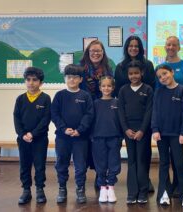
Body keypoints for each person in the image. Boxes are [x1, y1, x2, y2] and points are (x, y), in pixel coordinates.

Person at [114, 35, 156, 193]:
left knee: (145, 152)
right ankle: (134, 184)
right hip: (128, 116)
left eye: (136, 46)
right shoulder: (120, 67)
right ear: (126, 48)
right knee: (132, 154)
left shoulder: (148, 65)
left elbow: (152, 87)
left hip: (144, 115)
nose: (133, 48)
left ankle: (145, 179)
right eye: (130, 46)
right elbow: (118, 91)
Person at [158, 35, 183, 197]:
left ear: (179, 47)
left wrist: (176, 100)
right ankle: (167, 188)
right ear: (165, 47)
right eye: (168, 44)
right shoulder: (160, 67)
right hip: (164, 116)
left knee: (178, 154)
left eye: (174, 45)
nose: (171, 47)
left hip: (181, 114)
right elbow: (157, 91)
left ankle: (179, 185)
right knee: (165, 158)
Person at [152, 64, 183, 207]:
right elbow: (155, 113)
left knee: (179, 164)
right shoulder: (158, 93)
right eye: (159, 77)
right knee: (164, 163)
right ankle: (164, 193)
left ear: (171, 72)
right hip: (162, 135)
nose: (163, 78)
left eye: (164, 74)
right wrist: (155, 129)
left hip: (177, 135)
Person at [51, 64, 94, 204]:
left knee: (81, 165)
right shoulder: (59, 95)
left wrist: (80, 130)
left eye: (75, 77)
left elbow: (89, 115)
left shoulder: (85, 96)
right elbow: (54, 114)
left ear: (80, 79)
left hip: (80, 138)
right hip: (63, 137)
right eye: (69, 77)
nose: (72, 80)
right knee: (61, 163)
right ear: (65, 78)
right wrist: (63, 128)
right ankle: (62, 189)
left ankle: (80, 189)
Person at [13, 67, 51, 204]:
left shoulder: (45, 99)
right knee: (25, 164)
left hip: (39, 139)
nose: (31, 83)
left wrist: (33, 134)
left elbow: (45, 120)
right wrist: (23, 134)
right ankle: (26, 190)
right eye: (28, 80)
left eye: (35, 80)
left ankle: (40, 189)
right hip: (23, 139)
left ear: (40, 83)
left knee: (39, 165)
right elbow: (16, 118)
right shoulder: (20, 99)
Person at [79, 40, 113, 190]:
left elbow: (111, 90)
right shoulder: (81, 70)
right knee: (85, 147)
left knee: (101, 147)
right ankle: (82, 179)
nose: (95, 53)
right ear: (88, 52)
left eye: (98, 50)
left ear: (103, 52)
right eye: (92, 50)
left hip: (101, 113)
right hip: (84, 113)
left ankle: (101, 176)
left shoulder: (108, 70)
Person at [118, 60, 153, 204]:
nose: (134, 76)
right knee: (131, 161)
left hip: (143, 132)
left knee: (142, 160)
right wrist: (126, 129)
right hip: (129, 132)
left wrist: (142, 130)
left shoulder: (148, 89)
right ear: (127, 75)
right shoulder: (123, 90)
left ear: (142, 73)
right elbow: (120, 111)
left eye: (136, 73)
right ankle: (132, 192)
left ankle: (143, 192)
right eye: (131, 74)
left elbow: (149, 112)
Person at [92, 76, 123, 203]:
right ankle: (103, 188)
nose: (106, 88)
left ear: (113, 88)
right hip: (98, 138)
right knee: (100, 164)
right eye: (103, 86)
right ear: (99, 88)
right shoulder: (95, 103)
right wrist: (92, 137)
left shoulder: (117, 103)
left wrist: (120, 136)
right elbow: (91, 121)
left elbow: (121, 121)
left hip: (114, 138)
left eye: (109, 86)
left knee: (114, 163)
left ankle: (111, 187)